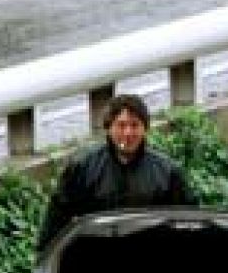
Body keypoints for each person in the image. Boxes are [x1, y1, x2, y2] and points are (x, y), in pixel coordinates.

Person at [35, 92, 196, 254]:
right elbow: (57, 218)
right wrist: (44, 256)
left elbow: (189, 220)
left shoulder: (167, 172)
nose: (128, 133)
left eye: (134, 125)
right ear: (109, 128)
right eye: (121, 125)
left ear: (145, 128)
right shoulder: (82, 168)